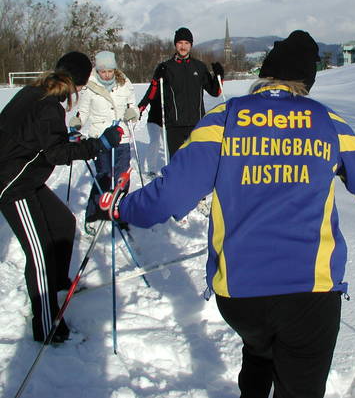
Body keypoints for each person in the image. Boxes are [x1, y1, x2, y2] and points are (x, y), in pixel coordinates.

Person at [101, 30, 355, 397]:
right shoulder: (327, 121)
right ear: (306, 81)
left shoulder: (223, 118)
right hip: (310, 291)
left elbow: (169, 196)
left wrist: (121, 207)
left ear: (265, 76)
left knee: (259, 352)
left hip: (241, 293)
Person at [0, 52, 123, 344]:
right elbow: (55, 153)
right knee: (40, 253)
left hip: (25, 180)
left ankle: (57, 285)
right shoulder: (48, 106)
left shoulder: (35, 93)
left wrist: (63, 137)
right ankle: (47, 325)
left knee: (64, 223)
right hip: (12, 187)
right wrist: (100, 143)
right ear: (78, 83)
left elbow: (37, 138)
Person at [69, 51, 138, 235]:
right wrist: (77, 122)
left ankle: (120, 213)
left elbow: (132, 105)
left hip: (121, 135)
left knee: (122, 178)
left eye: (109, 71)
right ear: (97, 70)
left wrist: (133, 114)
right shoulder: (89, 86)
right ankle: (93, 215)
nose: (106, 74)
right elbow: (83, 111)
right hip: (100, 139)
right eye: (102, 71)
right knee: (104, 176)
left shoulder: (125, 84)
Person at [138, 27, 225, 167]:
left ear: (191, 45)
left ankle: (196, 187)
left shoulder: (199, 67)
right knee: (177, 163)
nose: (183, 46)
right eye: (180, 43)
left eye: (186, 43)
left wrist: (219, 76)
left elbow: (215, 92)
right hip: (174, 125)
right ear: (175, 45)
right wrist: (140, 108)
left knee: (196, 161)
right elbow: (153, 91)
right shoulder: (165, 67)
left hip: (196, 123)